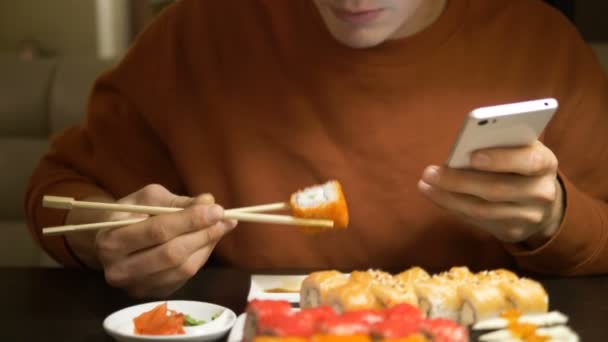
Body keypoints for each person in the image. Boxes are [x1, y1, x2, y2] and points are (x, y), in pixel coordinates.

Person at [26, 0, 608, 298]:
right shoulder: (197, 30)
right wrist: (108, 243)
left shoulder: (538, 40)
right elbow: (58, 194)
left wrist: (554, 217)